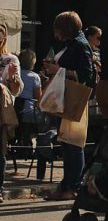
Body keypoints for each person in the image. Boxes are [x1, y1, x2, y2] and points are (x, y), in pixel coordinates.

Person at [42, 11, 95, 200]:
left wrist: (59, 70)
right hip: (67, 97)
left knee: (72, 144)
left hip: (74, 99)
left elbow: (87, 75)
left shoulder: (80, 45)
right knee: (67, 144)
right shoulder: (74, 44)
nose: (56, 34)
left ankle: (71, 186)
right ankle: (67, 185)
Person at [0, 22, 22, 202]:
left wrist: (14, 77)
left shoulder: (10, 60)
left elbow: (16, 90)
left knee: (0, 150)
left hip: (1, 112)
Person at [15, 48, 42, 134]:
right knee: (27, 135)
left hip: (15, 108)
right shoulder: (35, 77)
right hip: (28, 110)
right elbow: (38, 97)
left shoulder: (15, 74)